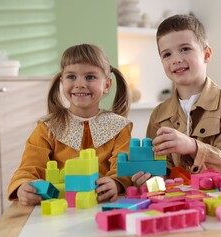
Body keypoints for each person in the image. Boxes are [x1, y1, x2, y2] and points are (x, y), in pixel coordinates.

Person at [8, 43, 133, 206]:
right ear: (62, 82)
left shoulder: (118, 127)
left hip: (100, 205)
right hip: (58, 207)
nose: (80, 84)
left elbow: (123, 169)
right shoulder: (47, 127)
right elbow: (29, 168)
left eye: (90, 77)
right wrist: (22, 187)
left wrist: (116, 183)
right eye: (71, 77)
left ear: (107, 85)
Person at [132, 14, 221, 186]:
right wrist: (153, 178)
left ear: (206, 54)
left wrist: (193, 147)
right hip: (179, 200)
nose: (176, 59)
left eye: (185, 49)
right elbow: (160, 165)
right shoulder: (159, 114)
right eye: (167, 54)